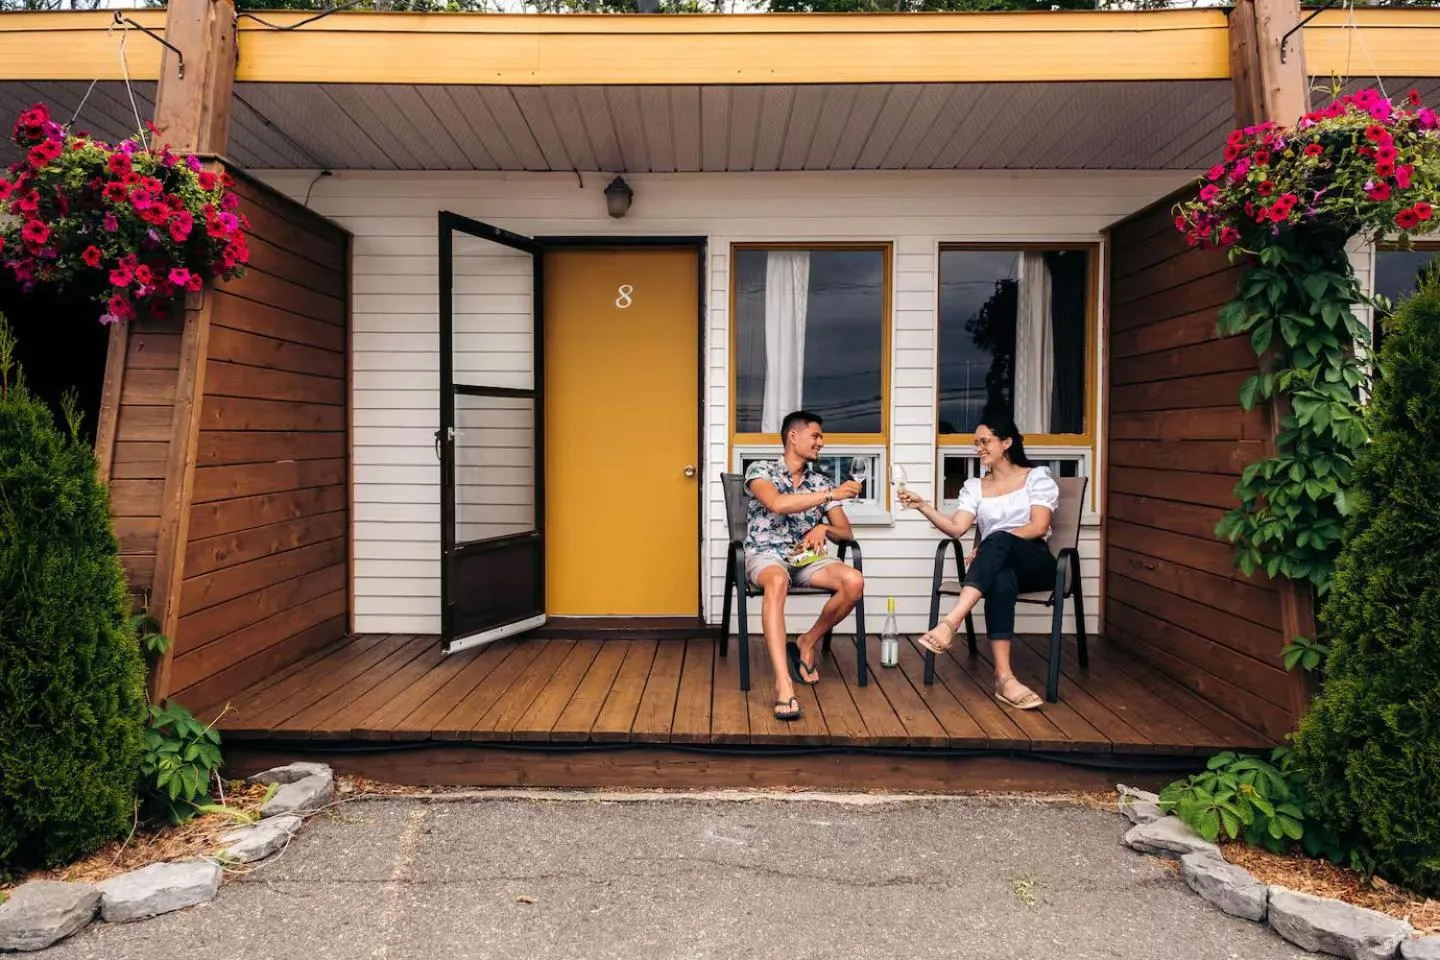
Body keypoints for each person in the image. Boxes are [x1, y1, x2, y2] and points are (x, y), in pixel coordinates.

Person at [897, 415, 1058, 711]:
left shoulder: (1036, 478)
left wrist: (988, 543)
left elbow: (1037, 526)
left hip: (1037, 562)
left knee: (996, 540)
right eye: (976, 443)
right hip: (998, 564)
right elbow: (957, 529)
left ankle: (951, 621)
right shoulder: (975, 487)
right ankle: (1004, 678)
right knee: (999, 580)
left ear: (1007, 443)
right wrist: (923, 506)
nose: (978, 448)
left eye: (985, 442)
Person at [744, 410, 865, 722]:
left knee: (854, 581)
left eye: (821, 437)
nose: (821, 442)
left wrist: (824, 529)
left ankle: (807, 641)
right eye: (816, 436)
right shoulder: (761, 471)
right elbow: (777, 504)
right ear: (792, 437)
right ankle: (784, 683)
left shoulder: (819, 481)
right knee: (777, 582)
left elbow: (845, 532)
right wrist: (830, 495)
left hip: (806, 559)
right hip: (767, 554)